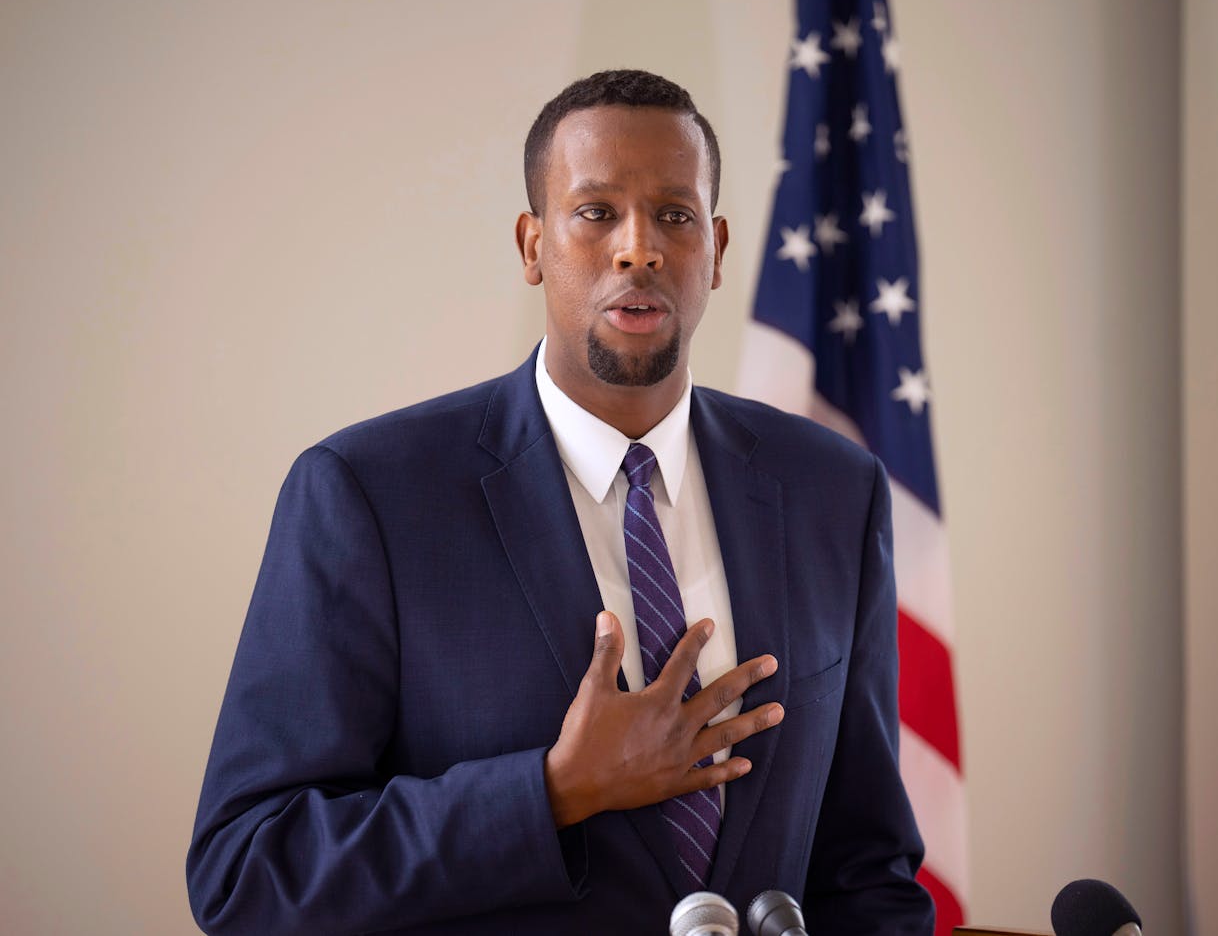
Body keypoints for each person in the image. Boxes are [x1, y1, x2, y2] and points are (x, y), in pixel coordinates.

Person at [187, 69, 933, 936]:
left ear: (718, 249)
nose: (638, 248)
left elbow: (866, 872)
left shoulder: (833, 491)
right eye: (596, 212)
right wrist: (551, 790)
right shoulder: (366, 495)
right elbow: (246, 870)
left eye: (675, 215)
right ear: (532, 243)